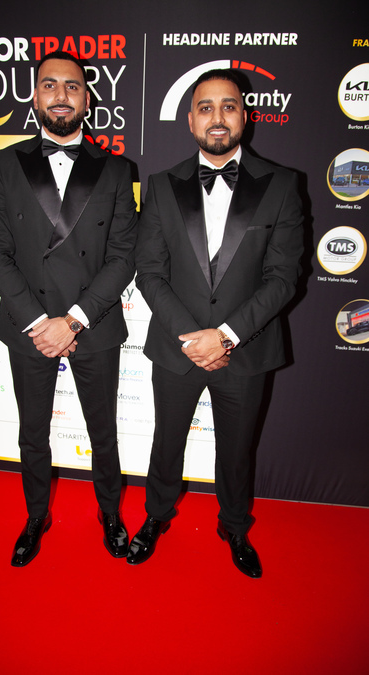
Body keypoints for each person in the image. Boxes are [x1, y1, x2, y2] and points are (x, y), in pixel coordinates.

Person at [128, 69, 303, 577]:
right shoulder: (161, 186)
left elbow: (283, 278)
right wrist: (193, 339)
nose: (217, 117)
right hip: (176, 348)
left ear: (245, 116)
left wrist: (225, 336)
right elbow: (149, 271)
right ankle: (156, 516)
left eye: (229, 106)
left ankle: (235, 527)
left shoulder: (283, 185)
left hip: (245, 349)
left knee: (237, 450)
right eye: (206, 107)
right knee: (167, 442)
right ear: (190, 120)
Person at [0, 51, 137, 567]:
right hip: (28, 323)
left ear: (86, 99)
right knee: (32, 432)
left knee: (103, 431)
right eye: (50, 85)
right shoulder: (4, 163)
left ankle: (110, 513)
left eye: (71, 86)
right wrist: (38, 321)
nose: (61, 95)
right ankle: (35, 516)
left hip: (93, 322)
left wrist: (72, 320)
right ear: (35, 96)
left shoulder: (116, 169)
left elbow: (123, 256)